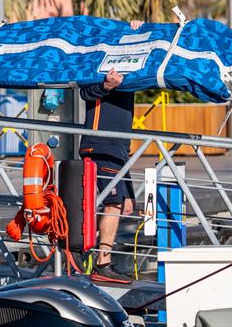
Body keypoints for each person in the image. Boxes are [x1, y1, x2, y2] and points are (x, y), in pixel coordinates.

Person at [79, 20, 144, 283]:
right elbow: (85, 92)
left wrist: (138, 32)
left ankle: (93, 253)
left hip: (120, 147)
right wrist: (106, 86)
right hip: (100, 144)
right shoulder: (99, 64)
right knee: (113, 202)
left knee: (127, 205)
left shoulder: (129, 64)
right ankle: (102, 263)